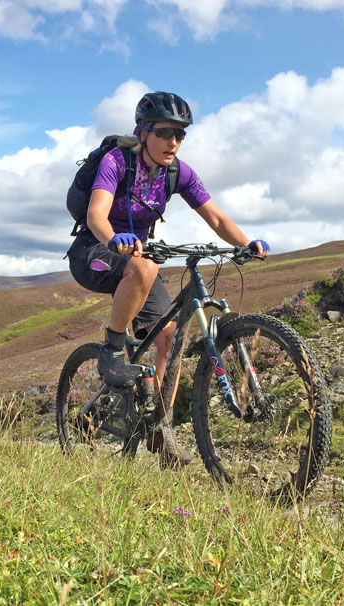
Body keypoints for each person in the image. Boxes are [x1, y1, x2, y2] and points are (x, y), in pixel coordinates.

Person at [67, 91, 269, 465]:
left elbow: (216, 218)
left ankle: (160, 428)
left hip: (137, 257)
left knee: (170, 334)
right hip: (94, 252)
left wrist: (246, 243)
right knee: (146, 266)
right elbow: (96, 214)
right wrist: (114, 238)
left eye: (180, 134)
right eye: (164, 132)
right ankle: (112, 348)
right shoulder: (117, 162)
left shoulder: (178, 173)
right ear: (143, 132)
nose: (173, 141)